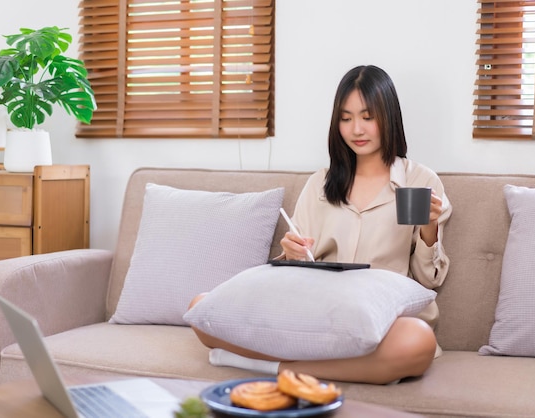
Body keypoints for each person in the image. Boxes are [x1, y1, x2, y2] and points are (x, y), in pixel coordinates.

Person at [188, 65, 452, 384]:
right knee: (201, 309)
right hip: (322, 314)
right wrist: (292, 254)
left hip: (385, 318)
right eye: (346, 117)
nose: (356, 128)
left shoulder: (420, 181)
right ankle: (347, 367)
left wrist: (429, 229)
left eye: (368, 116)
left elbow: (428, 280)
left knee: (418, 340)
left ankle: (274, 367)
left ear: (388, 116)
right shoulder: (320, 184)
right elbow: (301, 268)